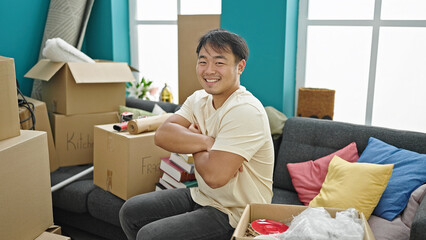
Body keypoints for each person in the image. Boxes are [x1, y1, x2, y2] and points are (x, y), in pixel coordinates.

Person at [119, 28, 274, 240]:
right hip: (203, 196)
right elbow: (163, 135)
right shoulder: (198, 99)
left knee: (151, 235)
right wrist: (208, 142)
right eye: (203, 61)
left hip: (236, 212)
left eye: (219, 62)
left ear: (240, 67)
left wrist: (195, 145)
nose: (209, 70)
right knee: (131, 211)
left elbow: (214, 176)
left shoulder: (245, 110)